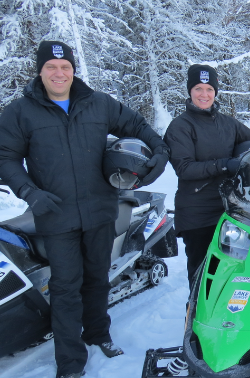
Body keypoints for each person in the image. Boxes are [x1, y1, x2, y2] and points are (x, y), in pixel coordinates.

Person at [0, 41, 170, 378]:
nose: (59, 73)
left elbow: (137, 126)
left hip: (100, 209)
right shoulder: (20, 111)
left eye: (65, 67)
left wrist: (160, 152)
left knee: (97, 279)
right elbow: (5, 156)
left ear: (73, 70)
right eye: (51, 67)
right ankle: (70, 362)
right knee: (65, 288)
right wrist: (28, 191)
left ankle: (98, 334)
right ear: (40, 71)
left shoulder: (99, 103)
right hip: (54, 214)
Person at [164, 64, 250, 291]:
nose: (204, 94)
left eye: (209, 89)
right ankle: (193, 323)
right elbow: (185, 168)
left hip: (231, 210)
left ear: (216, 91)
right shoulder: (180, 127)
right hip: (197, 213)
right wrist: (225, 165)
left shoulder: (228, 123)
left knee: (234, 273)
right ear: (190, 91)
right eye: (198, 88)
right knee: (202, 278)